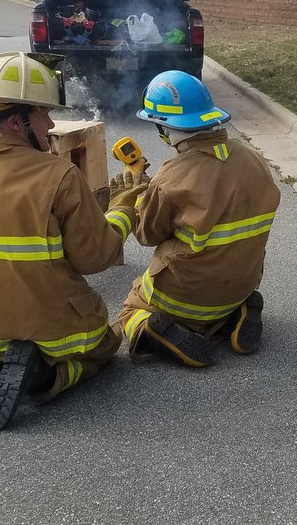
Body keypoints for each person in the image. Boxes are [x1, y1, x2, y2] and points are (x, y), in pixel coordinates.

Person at [0, 52, 146, 433]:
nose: (51, 124)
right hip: (54, 330)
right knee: (105, 346)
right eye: (43, 115)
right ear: (18, 122)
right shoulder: (58, 175)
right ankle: (41, 378)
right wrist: (123, 210)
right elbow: (96, 257)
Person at [114, 71, 279, 367]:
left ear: (164, 127)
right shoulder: (255, 159)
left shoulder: (169, 178)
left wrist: (140, 193)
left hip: (185, 297)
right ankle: (236, 313)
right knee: (218, 282)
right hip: (241, 283)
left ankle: (156, 329)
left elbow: (146, 235)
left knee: (131, 308)